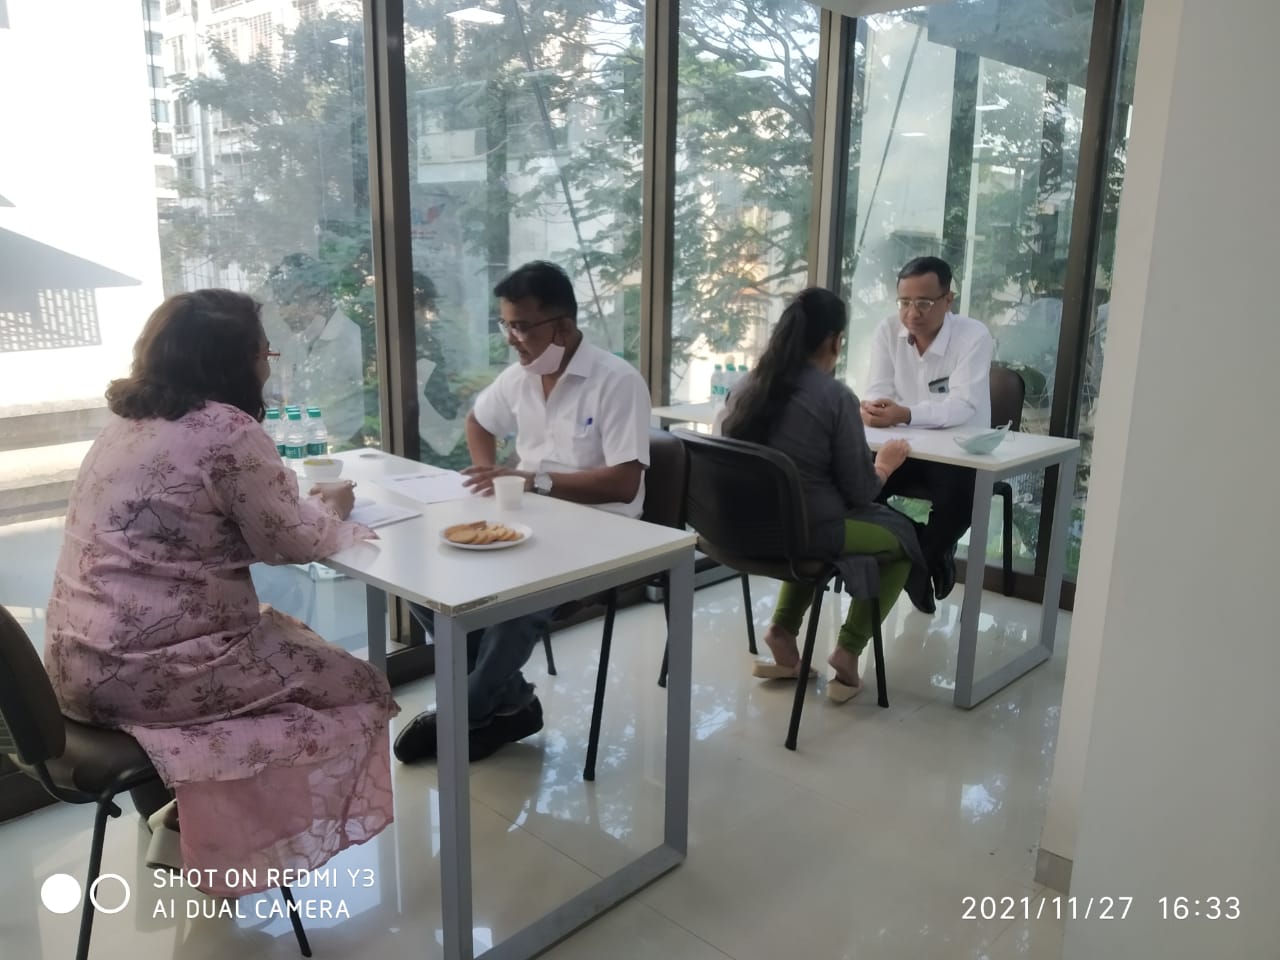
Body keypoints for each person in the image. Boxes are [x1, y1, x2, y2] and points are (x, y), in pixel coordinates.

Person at [42, 289, 399, 896]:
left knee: (284, 633)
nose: (268, 367)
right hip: (157, 672)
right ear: (237, 361)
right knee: (358, 686)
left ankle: (180, 821)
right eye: (265, 354)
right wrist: (331, 507)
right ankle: (218, 839)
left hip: (77, 666)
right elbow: (290, 541)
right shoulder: (228, 430)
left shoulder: (124, 424)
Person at [394, 260, 651, 763]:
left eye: (522, 326)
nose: (512, 339)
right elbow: (478, 421)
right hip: (528, 517)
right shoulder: (520, 377)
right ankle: (511, 702)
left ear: (564, 327)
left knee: (517, 607)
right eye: (506, 325)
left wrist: (535, 480)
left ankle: (458, 714)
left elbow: (625, 484)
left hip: (603, 531)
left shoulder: (617, 381)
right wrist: (488, 474)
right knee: (422, 576)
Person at [722, 288, 931, 699]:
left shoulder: (745, 386)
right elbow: (861, 492)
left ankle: (783, 631)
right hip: (803, 534)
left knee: (814, 525)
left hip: (739, 532)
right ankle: (848, 651)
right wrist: (885, 463)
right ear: (835, 341)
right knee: (905, 541)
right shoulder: (835, 398)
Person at [860, 256, 994, 602]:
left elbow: (962, 405)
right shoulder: (888, 330)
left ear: (948, 300)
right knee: (860, 485)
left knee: (961, 498)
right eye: (904, 302)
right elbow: (877, 389)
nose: (912, 313)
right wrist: (873, 409)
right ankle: (918, 549)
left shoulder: (974, 336)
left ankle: (921, 557)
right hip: (903, 447)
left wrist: (904, 413)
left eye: (923, 303)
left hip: (957, 452)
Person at [262, 252, 366, 446]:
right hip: (305, 444)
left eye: (292, 302)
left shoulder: (352, 339)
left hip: (346, 446)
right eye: (281, 303)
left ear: (322, 297)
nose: (285, 312)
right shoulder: (298, 341)